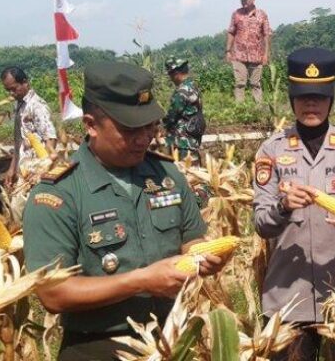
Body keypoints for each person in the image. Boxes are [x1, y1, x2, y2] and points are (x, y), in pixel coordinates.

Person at [22, 62, 229, 360]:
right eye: (131, 128)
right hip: (99, 347)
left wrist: (204, 256)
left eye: (150, 125)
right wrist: (141, 281)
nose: (145, 137)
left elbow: (190, 240)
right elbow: (53, 293)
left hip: (173, 340)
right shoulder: (58, 194)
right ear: (91, 124)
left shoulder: (166, 174)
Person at [253, 47, 335, 360]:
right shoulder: (271, 149)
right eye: (303, 96)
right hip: (288, 297)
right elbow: (262, 224)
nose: (311, 103)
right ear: (291, 97)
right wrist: (283, 206)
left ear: (331, 98)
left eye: (319, 96)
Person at [0, 66, 57, 187]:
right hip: (25, 170)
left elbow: (50, 139)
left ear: (25, 82)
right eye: (8, 90)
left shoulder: (37, 106)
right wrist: (12, 168)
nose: (11, 94)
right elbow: (18, 142)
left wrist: (42, 169)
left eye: (14, 89)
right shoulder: (19, 105)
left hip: (36, 173)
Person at [225, 0, 272, 102]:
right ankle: (240, 109)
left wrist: (266, 54)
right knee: (240, 83)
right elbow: (231, 32)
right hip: (239, 56)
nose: (243, 1)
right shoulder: (236, 14)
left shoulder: (262, 15)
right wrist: (228, 51)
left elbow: (267, 35)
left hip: (256, 56)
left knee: (255, 84)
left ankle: (258, 109)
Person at [162, 56, 205, 158]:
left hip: (182, 142)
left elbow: (172, 116)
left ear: (176, 74)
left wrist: (162, 126)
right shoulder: (193, 86)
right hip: (193, 138)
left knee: (182, 170)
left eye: (170, 74)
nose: (170, 78)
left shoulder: (182, 91)